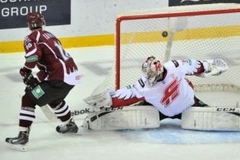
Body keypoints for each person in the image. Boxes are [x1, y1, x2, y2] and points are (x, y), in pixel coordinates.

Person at [83, 56, 229, 130]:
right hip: (158, 110)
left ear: (159, 70)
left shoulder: (176, 66)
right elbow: (128, 94)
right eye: (148, 76)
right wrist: (110, 100)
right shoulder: (143, 84)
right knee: (128, 110)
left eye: (152, 76)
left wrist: (211, 66)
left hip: (190, 104)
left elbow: (197, 66)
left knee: (220, 117)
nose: (150, 79)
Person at [5, 12, 81, 151]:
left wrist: (26, 70)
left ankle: (23, 137)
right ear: (43, 22)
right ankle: (70, 125)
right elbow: (51, 61)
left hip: (58, 78)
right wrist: (38, 78)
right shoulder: (49, 35)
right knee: (53, 98)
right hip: (71, 76)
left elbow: (34, 56)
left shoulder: (31, 38)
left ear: (28, 25)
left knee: (28, 98)